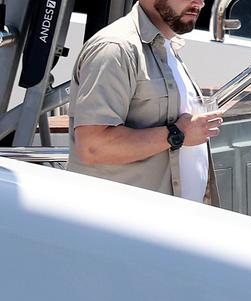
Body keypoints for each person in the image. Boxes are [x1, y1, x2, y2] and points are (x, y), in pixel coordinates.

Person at [67, 0, 221, 205]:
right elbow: (93, 146)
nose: (200, 2)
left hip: (168, 223)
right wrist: (178, 134)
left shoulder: (166, 47)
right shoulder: (115, 48)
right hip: (124, 226)